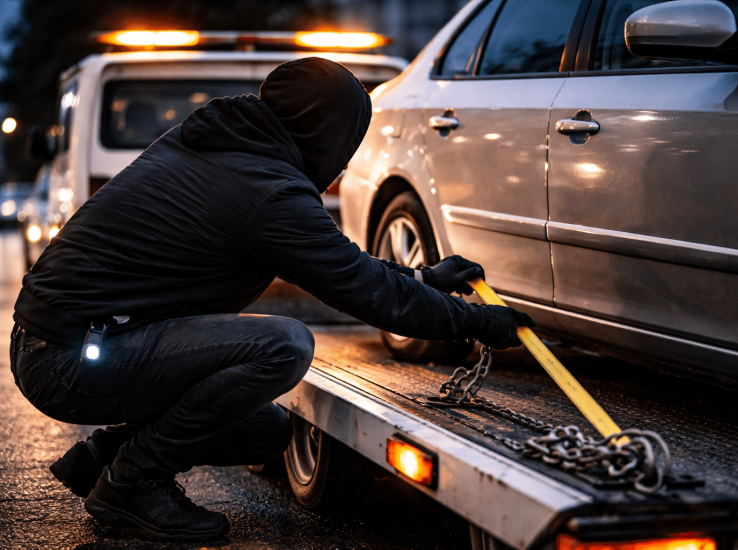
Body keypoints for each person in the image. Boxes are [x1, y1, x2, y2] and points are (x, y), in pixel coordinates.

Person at [9, 58, 535, 541]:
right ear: (327, 133)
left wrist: (422, 278)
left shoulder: (224, 143)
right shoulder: (266, 189)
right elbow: (366, 292)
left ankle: (105, 456)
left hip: (72, 340)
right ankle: (132, 484)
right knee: (282, 345)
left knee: (266, 433)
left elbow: (344, 265)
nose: (344, 163)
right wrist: (476, 322)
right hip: (68, 356)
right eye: (347, 142)